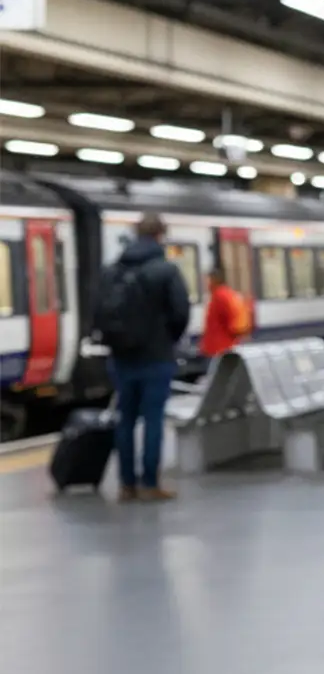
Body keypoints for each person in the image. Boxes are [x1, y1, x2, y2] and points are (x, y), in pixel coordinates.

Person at [93, 213, 191, 502]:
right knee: (153, 420)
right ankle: (150, 483)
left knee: (125, 419)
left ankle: (126, 485)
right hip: (156, 357)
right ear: (161, 235)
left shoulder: (112, 271)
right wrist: (167, 339)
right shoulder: (166, 271)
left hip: (121, 357)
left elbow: (97, 311)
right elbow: (180, 312)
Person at [199, 267, 250, 360]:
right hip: (220, 348)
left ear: (214, 280)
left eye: (207, 280)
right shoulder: (221, 294)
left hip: (219, 349)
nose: (205, 284)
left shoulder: (220, 296)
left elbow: (233, 319)